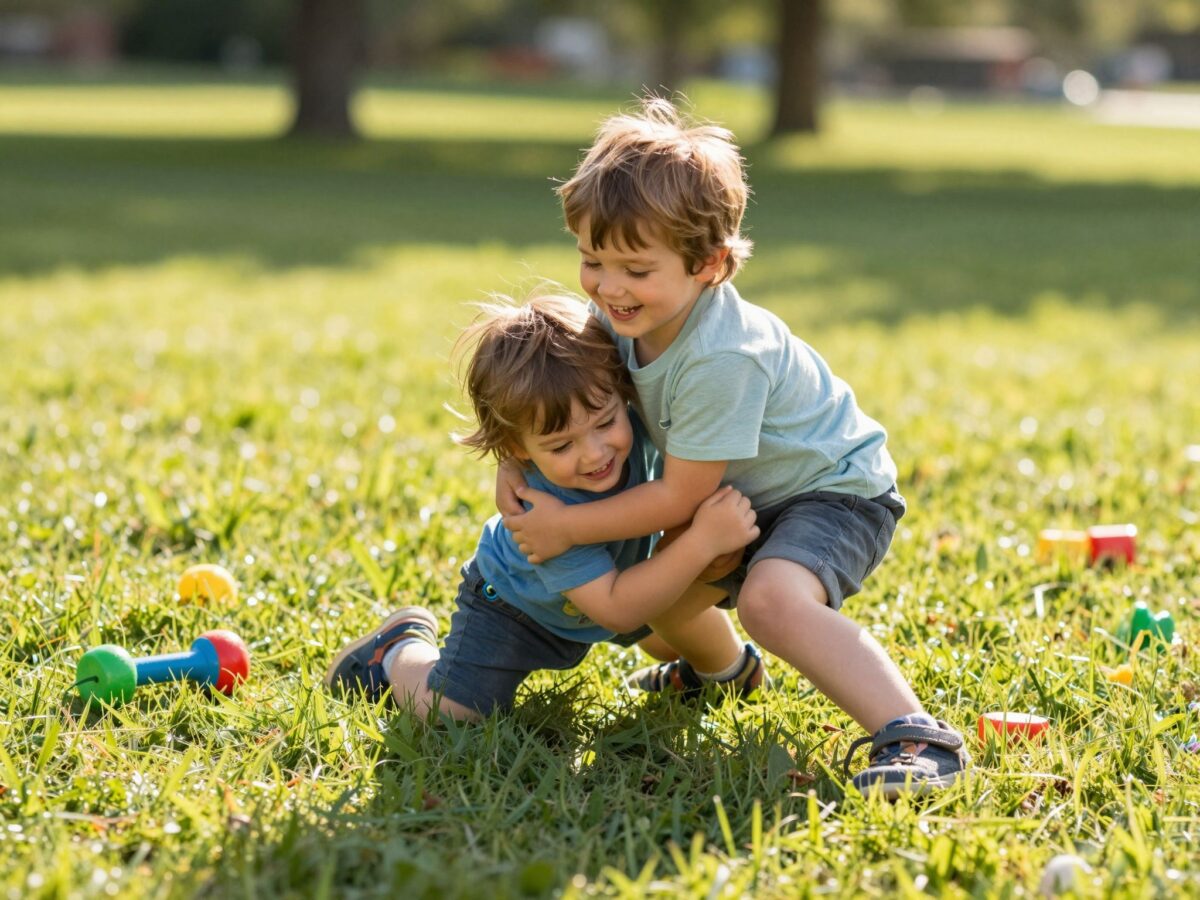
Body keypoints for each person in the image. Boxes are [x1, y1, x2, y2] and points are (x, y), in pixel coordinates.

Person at [499, 99, 969, 797]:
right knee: (661, 604)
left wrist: (563, 525)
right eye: (592, 259)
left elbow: (681, 494)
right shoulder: (618, 315)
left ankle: (916, 736)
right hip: (738, 496)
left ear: (710, 264)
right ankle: (723, 674)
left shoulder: (723, 355)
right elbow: (554, 391)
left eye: (635, 267)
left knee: (772, 602)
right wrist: (514, 460)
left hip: (831, 492)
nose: (608, 287)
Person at [326, 294, 764, 721]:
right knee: (456, 711)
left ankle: (728, 673)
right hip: (517, 610)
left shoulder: (633, 421)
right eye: (561, 445)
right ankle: (396, 650)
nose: (594, 454)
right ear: (518, 447)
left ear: (622, 393)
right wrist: (705, 541)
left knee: (672, 619)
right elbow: (616, 607)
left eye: (605, 422)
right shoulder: (542, 516)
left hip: (620, 579)